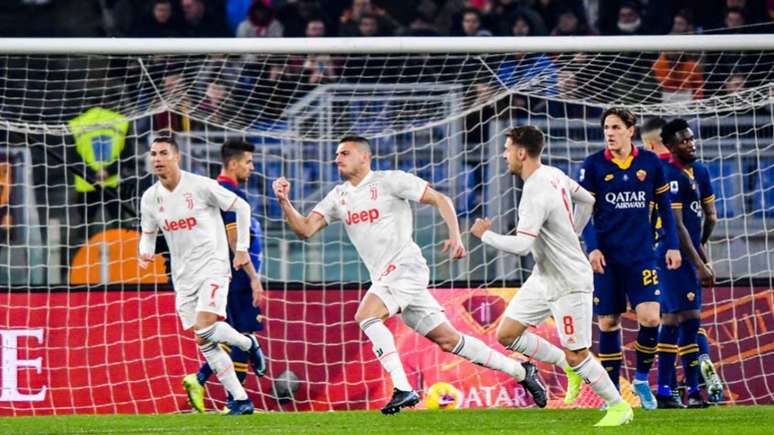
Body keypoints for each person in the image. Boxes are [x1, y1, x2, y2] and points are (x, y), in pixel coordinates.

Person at [272, 136, 547, 415]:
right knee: (449, 340)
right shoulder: (338, 195)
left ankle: (402, 388)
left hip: (406, 267)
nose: (337, 158)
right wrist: (284, 202)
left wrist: (456, 236)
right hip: (387, 277)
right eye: (336, 154)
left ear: (365, 157)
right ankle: (522, 371)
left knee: (366, 315)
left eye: (345, 153)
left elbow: (440, 198)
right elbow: (305, 229)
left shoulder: (389, 181)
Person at [470, 126, 633, 427]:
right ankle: (566, 367)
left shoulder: (534, 191)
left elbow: (521, 246)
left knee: (578, 354)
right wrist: (574, 231)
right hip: (543, 275)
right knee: (507, 334)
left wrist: (486, 235)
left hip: (569, 280)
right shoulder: (553, 173)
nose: (504, 155)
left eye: (507, 149)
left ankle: (618, 406)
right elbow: (587, 200)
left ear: (521, 152)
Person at [138, 136, 266, 416]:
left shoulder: (201, 186)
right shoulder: (150, 198)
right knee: (204, 341)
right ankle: (241, 399)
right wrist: (144, 252)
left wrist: (241, 249)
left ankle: (247, 343)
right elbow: (148, 235)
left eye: (163, 153)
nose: (157, 159)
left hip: (213, 266)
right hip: (182, 276)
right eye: (153, 154)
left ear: (177, 157)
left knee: (206, 327)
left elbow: (241, 208)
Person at [579, 107, 682, 410]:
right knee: (609, 322)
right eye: (606, 128)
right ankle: (612, 394)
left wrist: (672, 245)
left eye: (615, 127)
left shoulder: (650, 163)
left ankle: (640, 379)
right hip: (607, 259)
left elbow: (665, 207)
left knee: (651, 317)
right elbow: (584, 214)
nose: (609, 133)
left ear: (630, 130)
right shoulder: (593, 166)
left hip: (641, 256)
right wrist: (592, 247)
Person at [182, 139, 267, 413]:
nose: (251, 167)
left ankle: (208, 384)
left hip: (221, 275)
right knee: (239, 335)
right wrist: (254, 278)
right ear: (233, 163)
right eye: (247, 162)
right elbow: (234, 241)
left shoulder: (214, 191)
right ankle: (222, 391)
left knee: (226, 335)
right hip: (236, 277)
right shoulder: (226, 194)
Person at [655, 119, 723, 408]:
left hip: (690, 256)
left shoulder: (701, 171)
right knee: (687, 320)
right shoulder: (669, 175)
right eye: (684, 141)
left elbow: (711, 217)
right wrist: (699, 262)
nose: (691, 144)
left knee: (675, 321)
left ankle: (669, 390)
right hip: (672, 256)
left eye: (692, 139)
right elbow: (679, 226)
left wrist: (702, 256)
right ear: (670, 146)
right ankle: (690, 391)